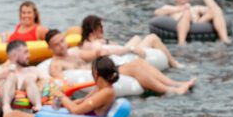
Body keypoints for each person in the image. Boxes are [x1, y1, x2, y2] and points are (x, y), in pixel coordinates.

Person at [46, 29, 196, 95]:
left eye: (62, 40)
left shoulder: (74, 53)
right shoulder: (56, 64)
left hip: (101, 69)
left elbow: (97, 53)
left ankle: (175, 83)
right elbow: (60, 80)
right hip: (96, 76)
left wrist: (124, 48)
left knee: (139, 63)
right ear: (50, 47)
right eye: (57, 44)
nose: (62, 45)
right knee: (135, 69)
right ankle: (172, 91)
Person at [79, 15, 181, 69]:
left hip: (122, 54)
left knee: (136, 38)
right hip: (123, 57)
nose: (103, 30)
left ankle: (172, 62)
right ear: (94, 29)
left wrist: (106, 41)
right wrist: (131, 49)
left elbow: (114, 46)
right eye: (101, 27)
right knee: (152, 37)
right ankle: (174, 64)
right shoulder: (93, 44)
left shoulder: (94, 41)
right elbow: (105, 51)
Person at [0, 40, 47, 113]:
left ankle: (38, 106)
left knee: (29, 79)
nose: (29, 55)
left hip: (28, 109)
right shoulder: (1, 70)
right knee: (11, 76)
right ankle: (6, 106)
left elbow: (49, 81)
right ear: (15, 55)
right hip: (5, 106)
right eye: (25, 52)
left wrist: (41, 85)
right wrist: (0, 75)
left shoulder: (33, 70)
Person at [154, 0, 230, 45]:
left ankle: (224, 39)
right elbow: (157, 13)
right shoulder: (169, 8)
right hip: (180, 24)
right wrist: (181, 8)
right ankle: (182, 43)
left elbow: (216, 9)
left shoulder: (195, 8)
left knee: (216, 11)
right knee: (187, 13)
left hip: (197, 24)